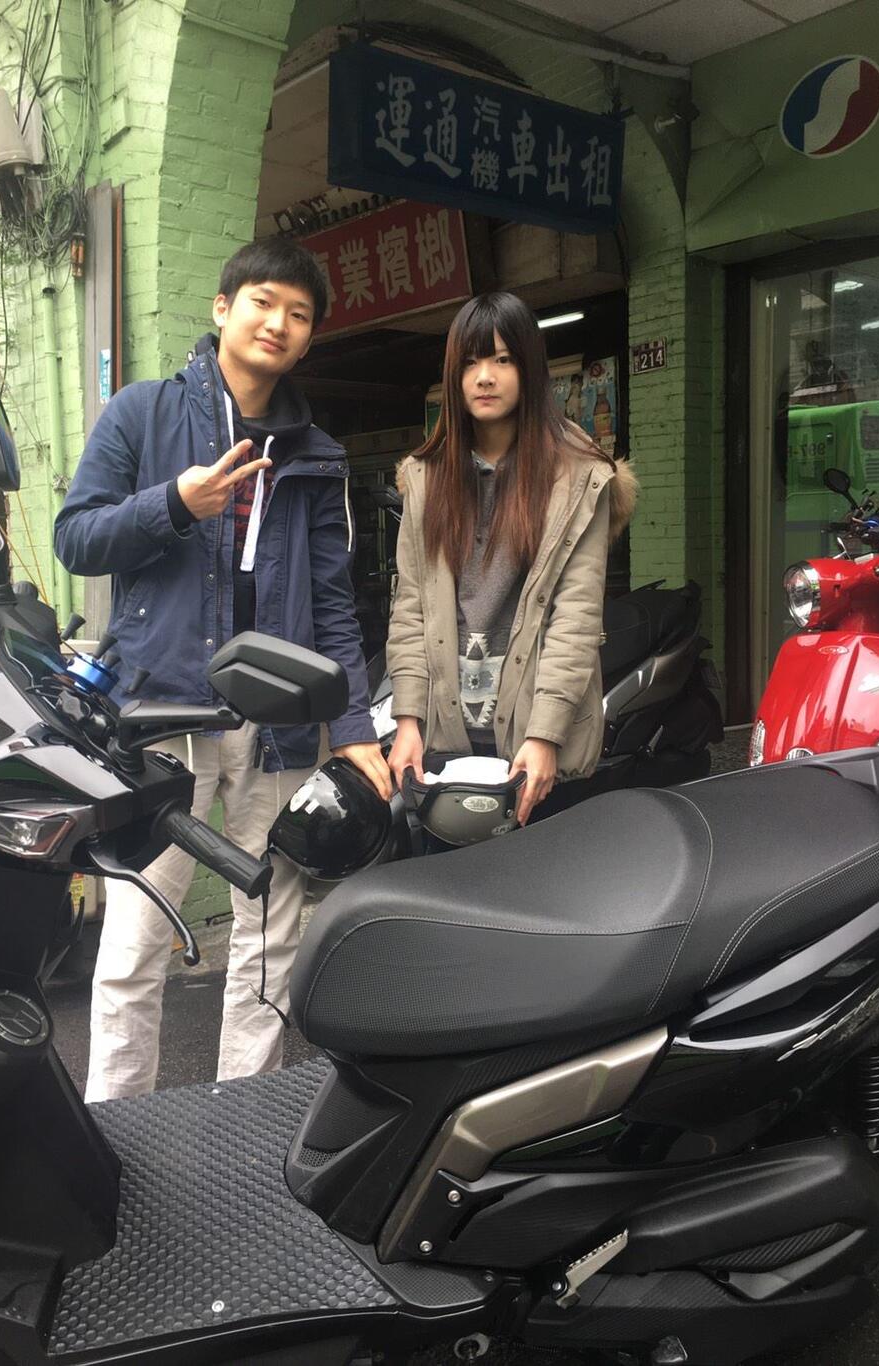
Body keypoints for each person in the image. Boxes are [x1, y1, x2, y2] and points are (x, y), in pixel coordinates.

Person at [54, 238, 391, 1099]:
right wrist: (175, 503)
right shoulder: (142, 414)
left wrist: (353, 728)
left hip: (278, 722)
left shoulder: (316, 454)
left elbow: (332, 603)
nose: (278, 323)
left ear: (308, 339)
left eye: (299, 314)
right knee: (137, 936)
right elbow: (77, 538)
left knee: (270, 935)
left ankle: (245, 1110)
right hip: (164, 714)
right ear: (223, 308)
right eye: (263, 302)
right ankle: (117, 1118)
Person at [386, 291, 636, 825]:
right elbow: (410, 608)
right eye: (471, 362)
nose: (485, 377)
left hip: (533, 737)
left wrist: (545, 736)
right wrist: (407, 719)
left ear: (529, 369)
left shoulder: (577, 478)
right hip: (445, 734)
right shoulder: (426, 477)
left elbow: (575, 617)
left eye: (502, 359)